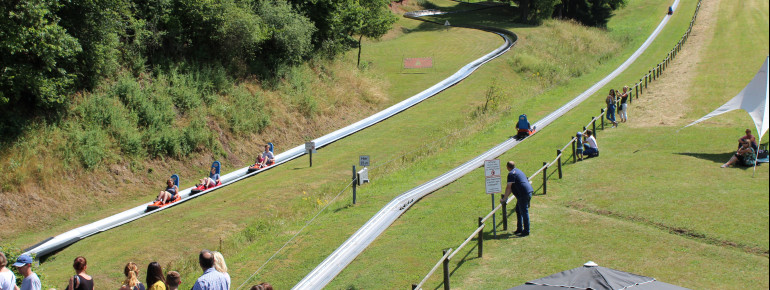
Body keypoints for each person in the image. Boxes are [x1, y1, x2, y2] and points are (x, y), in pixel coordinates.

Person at [500, 161, 534, 237]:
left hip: (523, 194)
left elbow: (509, 187)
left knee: (524, 212)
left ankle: (526, 231)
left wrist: (504, 199)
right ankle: (519, 229)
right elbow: (512, 188)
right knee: (518, 210)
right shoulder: (518, 171)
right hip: (528, 192)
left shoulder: (511, 174)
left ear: (507, 167)